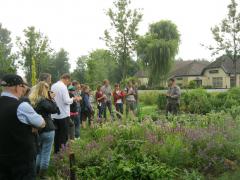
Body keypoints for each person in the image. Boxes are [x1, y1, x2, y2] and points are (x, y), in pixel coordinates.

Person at [0, 74, 45, 180]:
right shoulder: (21, 106)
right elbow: (41, 123)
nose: (23, 90)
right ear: (17, 87)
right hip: (22, 161)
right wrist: (31, 127)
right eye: (22, 87)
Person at [29, 81, 60, 179]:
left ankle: (36, 172)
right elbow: (56, 110)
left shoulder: (32, 100)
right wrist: (52, 99)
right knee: (46, 153)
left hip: (36, 129)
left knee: (39, 152)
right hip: (48, 129)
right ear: (45, 90)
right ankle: (43, 175)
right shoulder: (44, 101)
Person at [51, 73, 80, 153]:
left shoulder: (53, 85)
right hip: (63, 114)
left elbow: (52, 98)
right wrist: (74, 99)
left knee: (57, 135)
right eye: (68, 81)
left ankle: (56, 151)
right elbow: (66, 101)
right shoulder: (63, 87)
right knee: (63, 136)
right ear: (66, 79)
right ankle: (62, 153)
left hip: (54, 114)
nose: (68, 83)